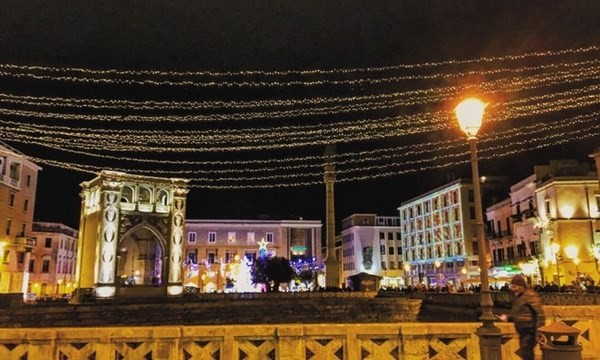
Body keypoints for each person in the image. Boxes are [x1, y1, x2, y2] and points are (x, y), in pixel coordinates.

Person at [497, 275, 545, 360]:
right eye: (512, 286)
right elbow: (518, 313)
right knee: (525, 354)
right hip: (523, 332)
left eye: (514, 286)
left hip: (530, 331)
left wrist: (539, 332)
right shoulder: (520, 297)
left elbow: (540, 314)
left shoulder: (530, 295)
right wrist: (508, 318)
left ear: (521, 286)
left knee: (527, 354)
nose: (512, 289)